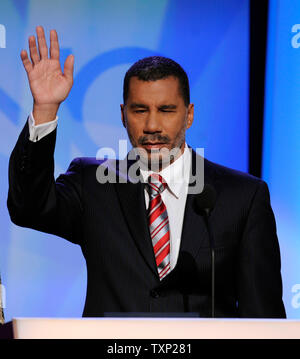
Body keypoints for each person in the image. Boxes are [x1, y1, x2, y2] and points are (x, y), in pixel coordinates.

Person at [7, 26, 286, 318]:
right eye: (139, 110)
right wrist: (45, 109)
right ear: (123, 114)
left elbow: (264, 315)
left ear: (189, 114)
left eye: (166, 110)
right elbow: (28, 207)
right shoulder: (92, 183)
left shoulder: (242, 196)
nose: (152, 126)